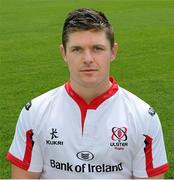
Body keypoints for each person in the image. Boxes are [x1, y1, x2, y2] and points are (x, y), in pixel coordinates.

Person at [6, 8, 169, 179]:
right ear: (64, 53)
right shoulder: (35, 112)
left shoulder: (143, 116)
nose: (88, 59)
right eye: (77, 49)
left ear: (113, 52)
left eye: (97, 48)